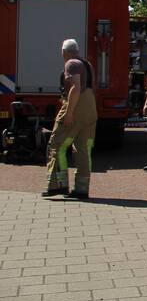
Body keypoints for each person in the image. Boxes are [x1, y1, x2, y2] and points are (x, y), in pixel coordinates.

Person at [42, 39, 98, 199]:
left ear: (64, 51)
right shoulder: (87, 64)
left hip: (76, 107)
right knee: (83, 149)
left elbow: (75, 87)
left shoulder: (71, 64)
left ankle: (57, 185)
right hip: (90, 109)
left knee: (57, 145)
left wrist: (69, 113)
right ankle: (81, 189)